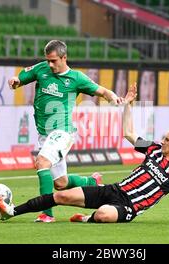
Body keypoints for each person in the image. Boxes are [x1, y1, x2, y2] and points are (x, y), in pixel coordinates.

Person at [0, 83, 169, 224]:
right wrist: (128, 106)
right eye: (164, 138)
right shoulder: (153, 150)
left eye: (167, 140)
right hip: (113, 190)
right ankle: (11, 211)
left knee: (102, 215)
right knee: (61, 196)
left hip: (129, 207)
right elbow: (129, 134)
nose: (162, 141)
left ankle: (86, 219)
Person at [8, 40, 124, 222]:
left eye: (54, 61)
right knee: (60, 183)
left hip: (62, 133)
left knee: (42, 163)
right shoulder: (41, 69)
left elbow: (102, 91)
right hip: (44, 135)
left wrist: (115, 98)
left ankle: (47, 214)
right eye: (48, 60)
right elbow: (22, 76)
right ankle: (90, 182)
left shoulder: (77, 78)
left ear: (64, 57)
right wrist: (16, 81)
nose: (50, 64)